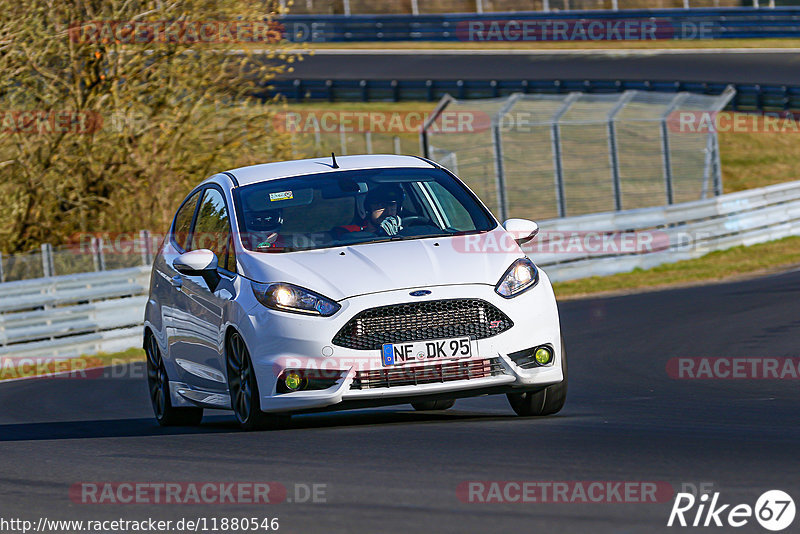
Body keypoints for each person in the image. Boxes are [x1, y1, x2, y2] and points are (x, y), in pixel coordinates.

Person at [335, 184, 405, 237]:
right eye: (381, 206)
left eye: (392, 205)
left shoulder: (408, 231)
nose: (388, 212)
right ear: (367, 208)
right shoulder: (347, 233)